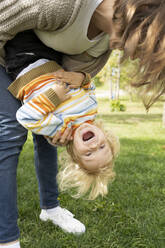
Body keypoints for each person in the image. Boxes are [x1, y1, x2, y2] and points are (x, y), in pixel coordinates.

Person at [0, 0, 164, 247]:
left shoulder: (106, 43)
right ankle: (7, 237)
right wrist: (77, 81)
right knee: (10, 132)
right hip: (11, 47)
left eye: (88, 153)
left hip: (30, 68)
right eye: (140, 51)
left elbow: (37, 112)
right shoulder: (58, 7)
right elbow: (84, 86)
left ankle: (51, 207)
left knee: (46, 143)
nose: (131, 57)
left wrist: (50, 122)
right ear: (139, 25)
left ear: (75, 155)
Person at [5, 31, 119, 200]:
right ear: (106, 136)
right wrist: (82, 78)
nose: (94, 146)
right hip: (52, 58)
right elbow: (89, 87)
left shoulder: (59, 128)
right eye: (102, 147)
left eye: (88, 154)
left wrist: (54, 97)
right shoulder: (92, 110)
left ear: (74, 154)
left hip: (25, 62)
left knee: (18, 26)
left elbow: (25, 117)